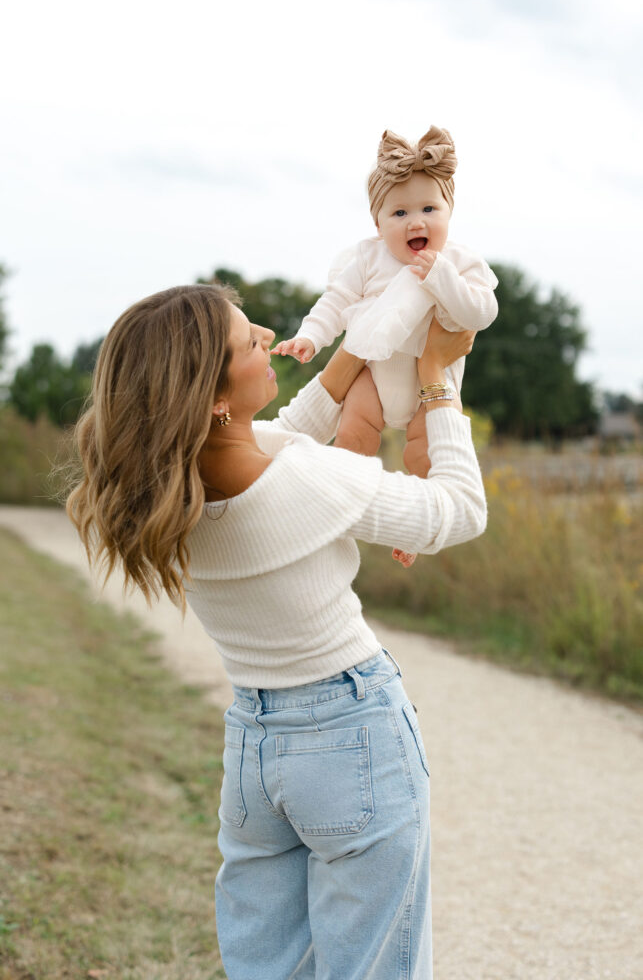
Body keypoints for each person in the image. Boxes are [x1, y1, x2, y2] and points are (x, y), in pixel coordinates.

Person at [66, 282, 486, 980]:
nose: (266, 334)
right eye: (245, 340)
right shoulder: (304, 480)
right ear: (211, 400)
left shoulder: (172, 490)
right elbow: (459, 510)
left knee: (269, 968)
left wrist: (355, 353)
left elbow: (285, 431)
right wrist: (435, 379)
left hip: (256, 752)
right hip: (351, 735)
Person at [273, 126, 498, 566]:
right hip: (370, 377)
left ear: (449, 214)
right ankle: (332, 510)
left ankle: (413, 529)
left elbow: (480, 314)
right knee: (354, 435)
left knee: (423, 453)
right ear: (377, 224)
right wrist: (310, 336)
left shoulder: (459, 262)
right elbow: (335, 303)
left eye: (430, 208)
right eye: (399, 213)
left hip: (425, 389)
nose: (416, 221)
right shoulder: (366, 259)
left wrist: (442, 278)